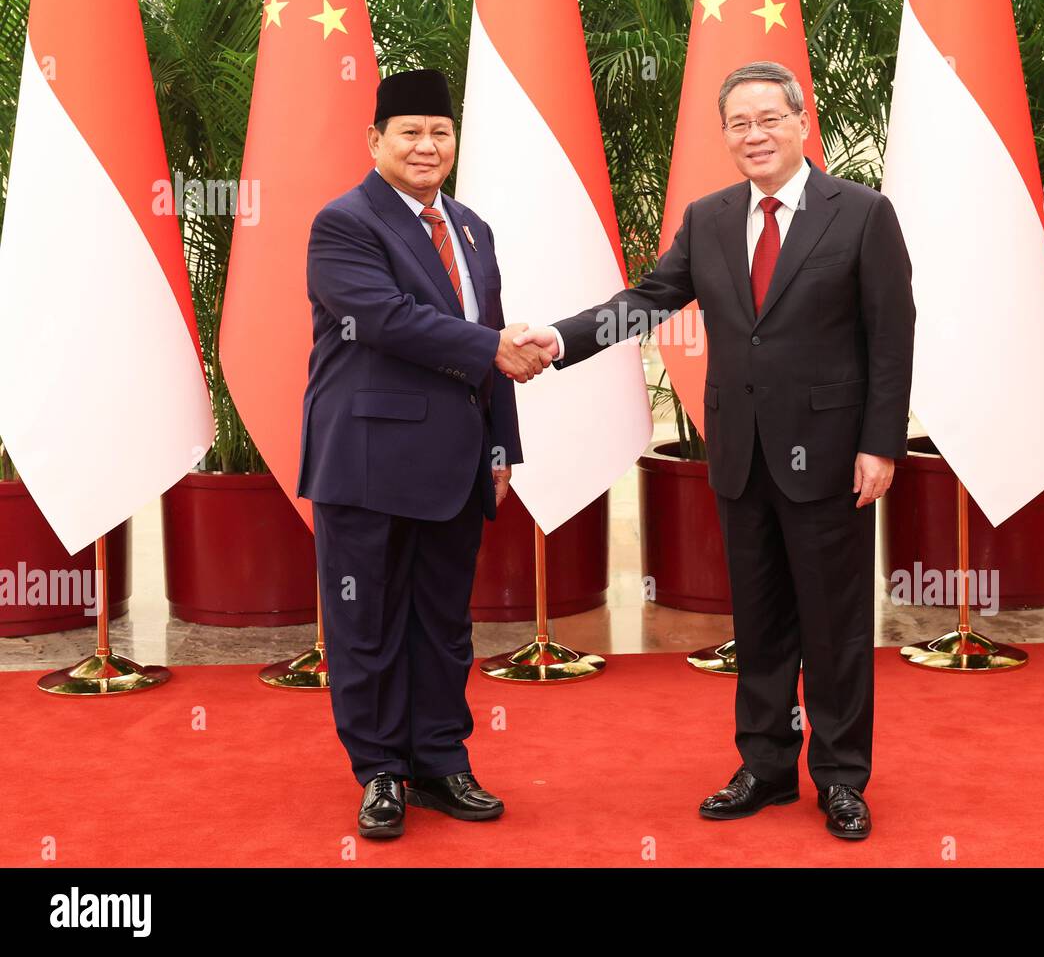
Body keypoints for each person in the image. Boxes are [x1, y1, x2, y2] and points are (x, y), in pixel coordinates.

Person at [516, 61, 915, 841]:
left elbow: (891, 338)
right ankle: (764, 766)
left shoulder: (863, 214)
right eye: (739, 122)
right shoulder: (708, 218)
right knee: (760, 622)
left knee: (833, 626)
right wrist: (559, 339)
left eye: (770, 118)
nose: (755, 135)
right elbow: (647, 303)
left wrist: (879, 444)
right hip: (739, 455)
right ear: (725, 135)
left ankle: (839, 776)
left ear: (804, 123)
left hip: (833, 456)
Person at [297, 68, 551, 839]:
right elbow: (387, 319)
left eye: (439, 131)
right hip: (368, 462)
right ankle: (379, 772)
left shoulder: (472, 227)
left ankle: (441, 761)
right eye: (408, 131)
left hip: (457, 464)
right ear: (375, 141)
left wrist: (502, 444)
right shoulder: (343, 224)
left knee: (443, 624)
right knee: (365, 625)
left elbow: (492, 346)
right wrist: (494, 347)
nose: (426, 144)